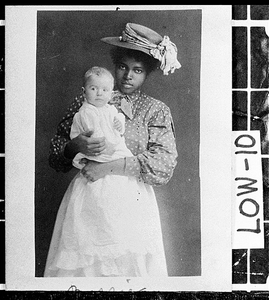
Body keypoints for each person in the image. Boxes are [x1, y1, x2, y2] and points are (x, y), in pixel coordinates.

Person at [44, 23, 181, 277]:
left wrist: (106, 167)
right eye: (123, 67)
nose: (128, 76)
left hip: (132, 202)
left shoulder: (155, 109)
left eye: (137, 70)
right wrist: (76, 146)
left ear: (147, 74)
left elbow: (163, 164)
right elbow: (56, 155)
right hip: (88, 199)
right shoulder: (88, 99)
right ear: (114, 66)